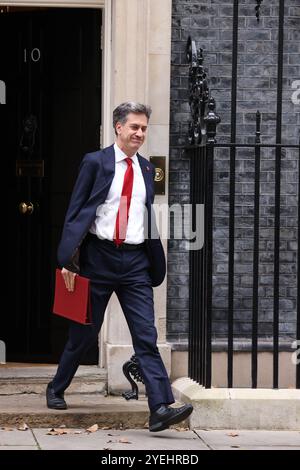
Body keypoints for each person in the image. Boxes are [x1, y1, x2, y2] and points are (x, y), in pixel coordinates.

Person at [46, 102, 193, 432]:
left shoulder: (145, 169)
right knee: (83, 333)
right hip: (98, 257)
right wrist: (69, 259)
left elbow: (144, 215)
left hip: (135, 263)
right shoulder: (95, 163)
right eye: (134, 127)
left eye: (144, 128)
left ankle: (160, 407)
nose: (140, 133)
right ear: (118, 127)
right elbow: (76, 211)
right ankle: (56, 386)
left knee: (146, 336)